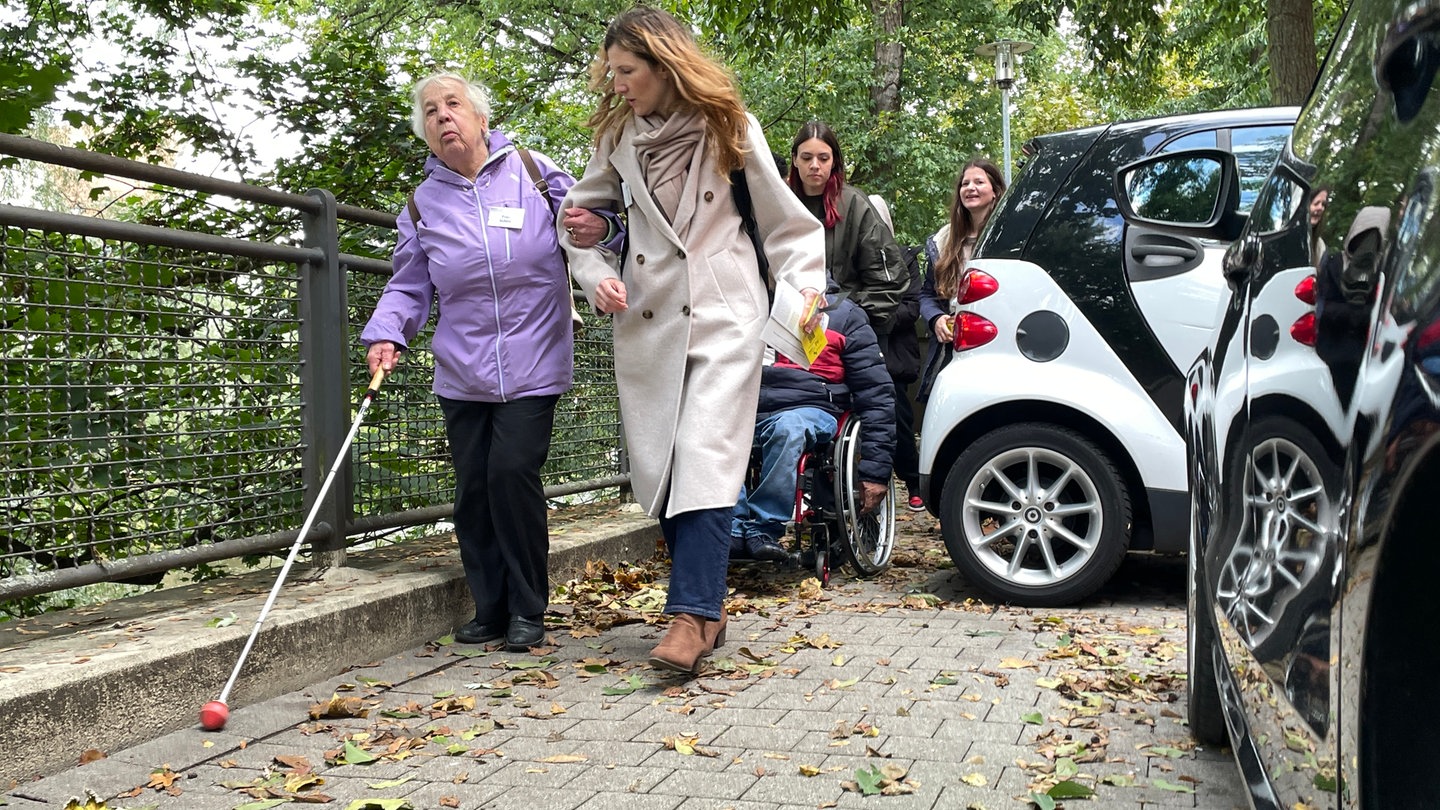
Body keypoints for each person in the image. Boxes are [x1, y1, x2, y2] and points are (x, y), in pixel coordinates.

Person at [558, 6, 826, 675]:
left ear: (663, 62)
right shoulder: (619, 134)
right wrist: (594, 272)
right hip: (648, 315)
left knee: (702, 449)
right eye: (612, 72)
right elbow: (577, 221)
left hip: (726, 312)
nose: (617, 84)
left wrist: (805, 300)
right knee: (665, 463)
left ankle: (688, 613)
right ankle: (708, 611)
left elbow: (789, 226)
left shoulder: (729, 125)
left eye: (628, 71)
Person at [361, 72, 617, 653]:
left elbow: (590, 227)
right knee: (474, 489)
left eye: (453, 105)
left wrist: (604, 246)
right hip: (463, 367)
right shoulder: (422, 203)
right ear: (425, 132)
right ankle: (490, 608)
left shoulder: (532, 171)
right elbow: (408, 284)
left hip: (535, 354)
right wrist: (387, 335)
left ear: (479, 117)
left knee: (511, 474)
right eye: (430, 111)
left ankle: (529, 607)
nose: (443, 116)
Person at [731, 286, 895, 561]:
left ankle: (762, 528)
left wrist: (875, 472)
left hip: (812, 407)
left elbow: (876, 394)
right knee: (710, 432)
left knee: (789, 428)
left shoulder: (844, 315)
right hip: (746, 406)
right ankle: (732, 529)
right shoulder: (742, 301)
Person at [787, 121, 907, 334]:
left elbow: (888, 282)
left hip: (845, 330)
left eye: (823, 158)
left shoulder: (855, 204)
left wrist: (847, 318)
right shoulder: (780, 203)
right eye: (807, 158)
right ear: (795, 159)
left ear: (833, 161)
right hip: (787, 326)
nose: (815, 165)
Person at [918, 158, 1006, 400]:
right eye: (965, 183)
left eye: (979, 182)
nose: (970, 188)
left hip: (997, 345)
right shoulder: (944, 240)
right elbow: (926, 294)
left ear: (995, 190)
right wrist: (936, 319)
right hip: (950, 350)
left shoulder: (1009, 237)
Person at [867, 195, 925, 512]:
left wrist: (870, 314)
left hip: (892, 355)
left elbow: (911, 308)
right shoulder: (850, 258)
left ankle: (912, 480)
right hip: (857, 349)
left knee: (898, 419)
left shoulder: (905, 258)